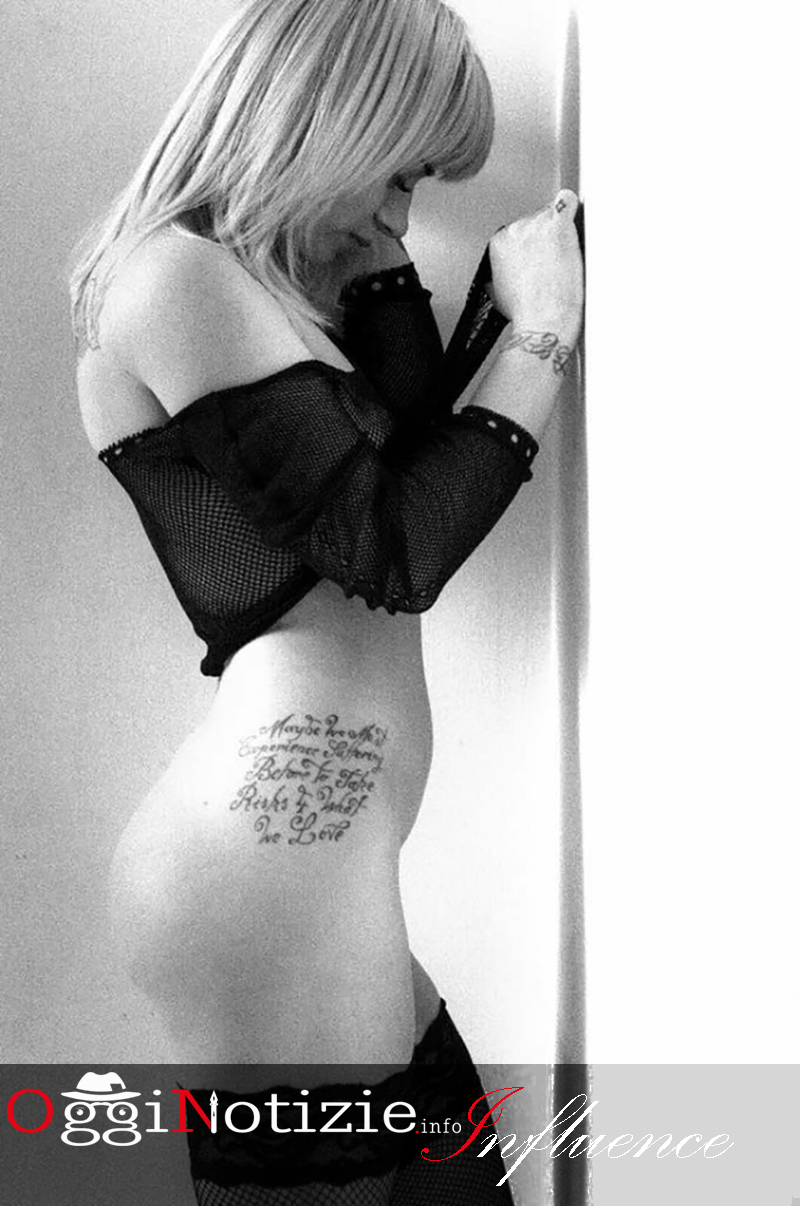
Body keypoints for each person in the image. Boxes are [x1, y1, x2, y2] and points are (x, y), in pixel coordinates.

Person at [70, 0, 583, 1200]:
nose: (403, 213)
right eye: (398, 173)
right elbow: (392, 548)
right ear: (329, 120)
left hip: (309, 868)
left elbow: (400, 452)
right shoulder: (171, 277)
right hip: (269, 872)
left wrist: (377, 267)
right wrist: (545, 331)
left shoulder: (252, 287)